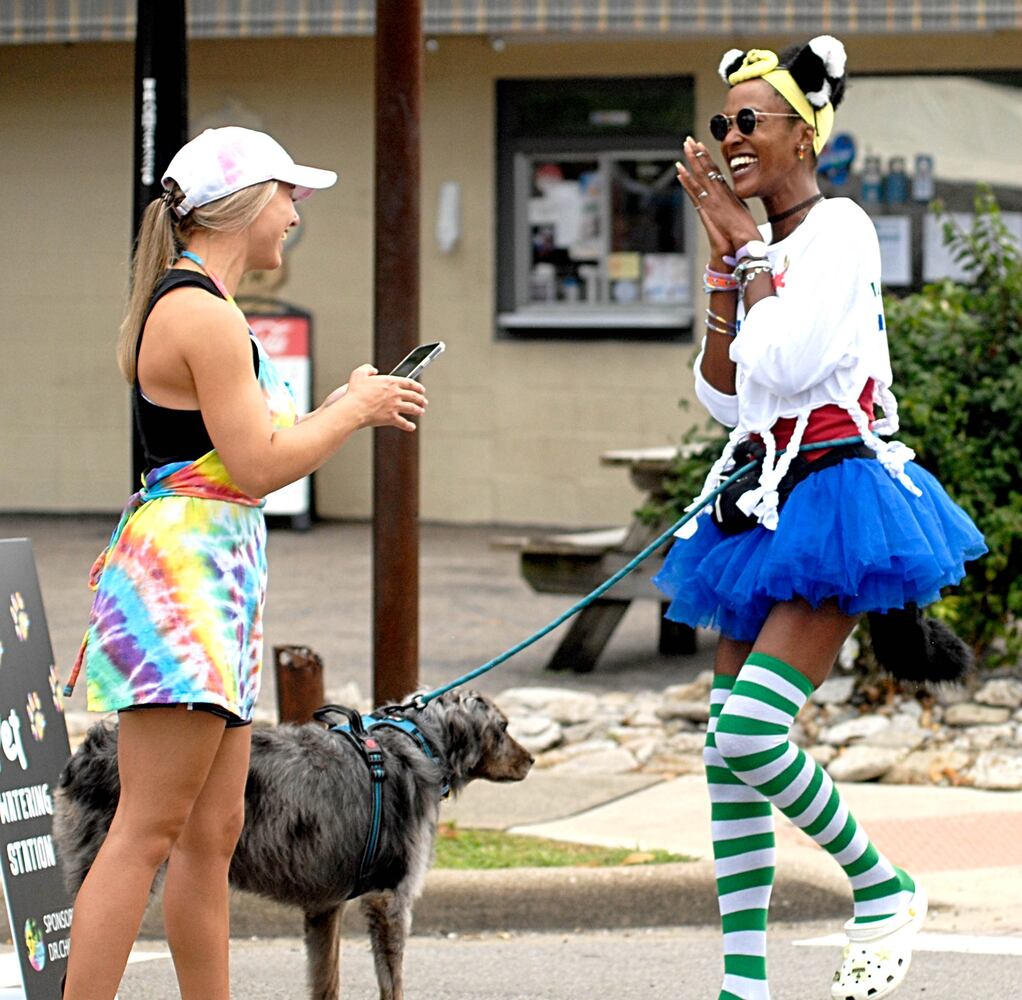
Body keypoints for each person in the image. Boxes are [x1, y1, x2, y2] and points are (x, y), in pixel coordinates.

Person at [652, 38, 986, 1000]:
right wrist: (726, 272)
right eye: (723, 121)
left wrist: (749, 252)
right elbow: (728, 392)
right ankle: (742, 984)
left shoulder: (840, 228)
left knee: (754, 733)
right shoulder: (763, 247)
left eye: (750, 119)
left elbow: (791, 363)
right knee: (723, 751)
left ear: (805, 135)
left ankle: (883, 888)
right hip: (763, 500)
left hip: (837, 496)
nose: (731, 136)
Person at [62, 126, 427, 1000]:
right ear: (246, 203)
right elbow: (260, 466)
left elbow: (246, 451)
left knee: (212, 832)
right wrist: (355, 412)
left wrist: (340, 405)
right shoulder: (202, 313)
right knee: (147, 830)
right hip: (183, 587)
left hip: (207, 583)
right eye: (288, 194)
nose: (296, 212)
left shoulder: (198, 305)